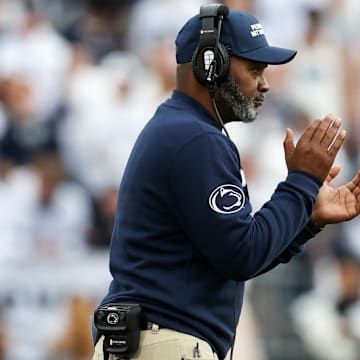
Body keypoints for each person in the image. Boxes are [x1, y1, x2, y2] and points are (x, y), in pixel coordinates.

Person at [92, 5, 360, 360]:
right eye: (254, 68)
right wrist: (302, 182)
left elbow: (231, 256)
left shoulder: (183, 131)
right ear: (211, 66)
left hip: (156, 342)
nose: (265, 83)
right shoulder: (196, 139)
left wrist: (307, 219)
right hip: (166, 344)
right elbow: (241, 256)